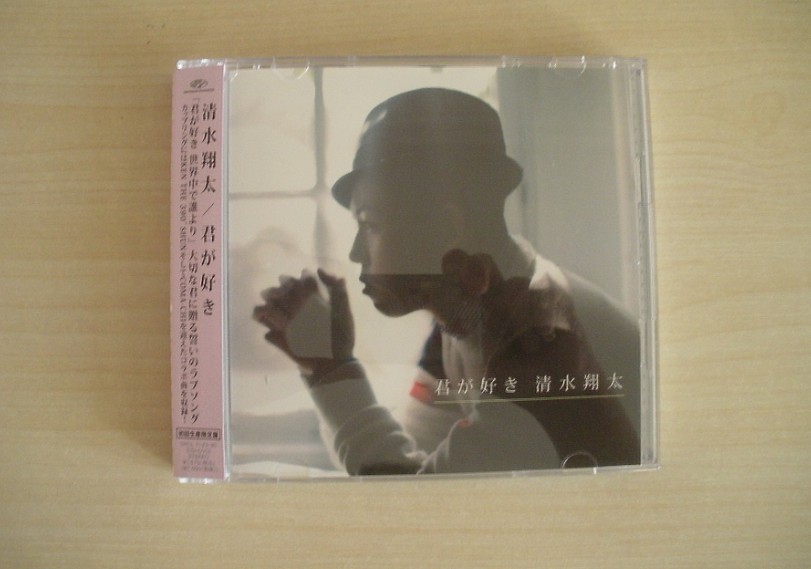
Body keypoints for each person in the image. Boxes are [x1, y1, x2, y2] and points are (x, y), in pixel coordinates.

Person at [253, 88, 640, 475]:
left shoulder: (535, 336)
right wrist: (331, 369)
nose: (355, 253)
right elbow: (407, 467)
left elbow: (413, 498)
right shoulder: (467, 319)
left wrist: (332, 370)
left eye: (370, 224)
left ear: (448, 228)